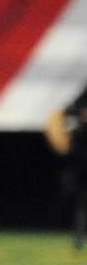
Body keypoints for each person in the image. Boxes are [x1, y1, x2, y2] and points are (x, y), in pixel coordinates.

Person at [44, 85, 87, 249]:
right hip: (81, 165)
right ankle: (78, 236)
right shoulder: (80, 102)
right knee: (80, 203)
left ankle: (78, 235)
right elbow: (68, 114)